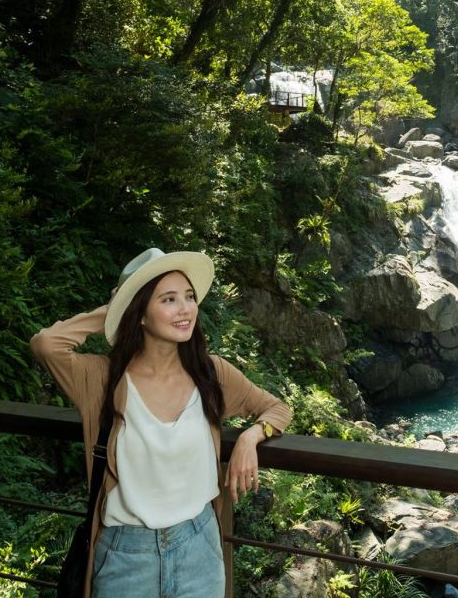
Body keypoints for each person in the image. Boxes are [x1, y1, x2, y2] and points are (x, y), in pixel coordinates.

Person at [31, 248, 292, 598]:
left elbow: (276, 408)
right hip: (126, 555)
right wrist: (115, 309)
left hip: (199, 546)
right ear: (140, 312)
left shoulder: (210, 373)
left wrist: (251, 436)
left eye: (189, 297)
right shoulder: (103, 378)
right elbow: (46, 344)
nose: (185, 309)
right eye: (168, 299)